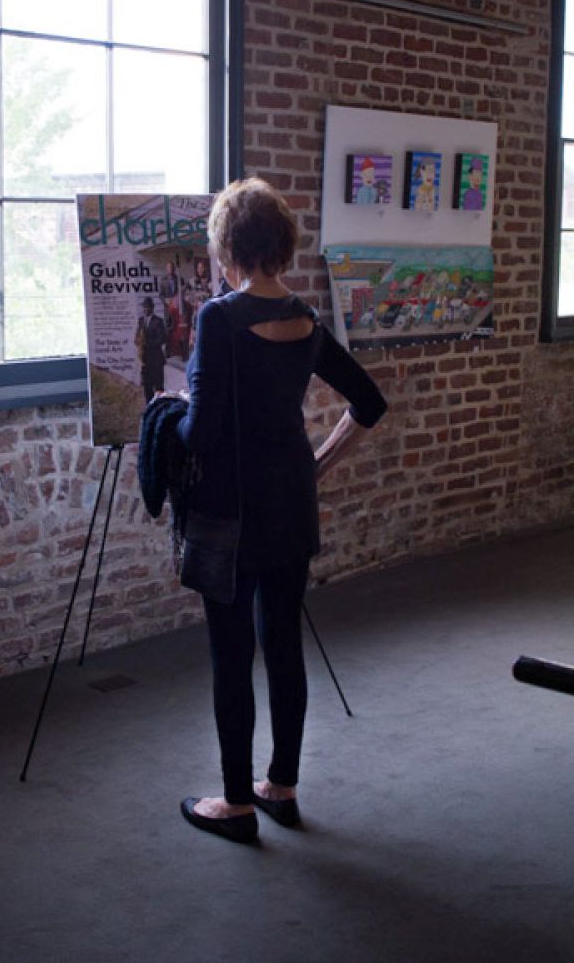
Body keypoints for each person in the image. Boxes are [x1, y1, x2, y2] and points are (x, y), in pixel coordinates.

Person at [176, 177, 387, 845]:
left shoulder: (219, 318)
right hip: (291, 504)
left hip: (230, 513)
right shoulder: (305, 319)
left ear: (229, 249)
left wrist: (167, 413)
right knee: (285, 646)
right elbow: (369, 402)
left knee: (232, 653)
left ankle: (237, 804)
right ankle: (282, 787)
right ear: (283, 246)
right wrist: (316, 464)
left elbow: (201, 434)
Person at [134, 296, 166, 403]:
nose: (145, 309)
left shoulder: (158, 321)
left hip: (156, 360)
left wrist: (147, 344)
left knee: (159, 387)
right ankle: (149, 408)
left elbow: (162, 339)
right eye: (144, 307)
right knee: (147, 387)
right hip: (145, 361)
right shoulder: (140, 321)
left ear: (152, 308)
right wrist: (138, 342)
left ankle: (160, 407)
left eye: (147, 307)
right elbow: (137, 337)